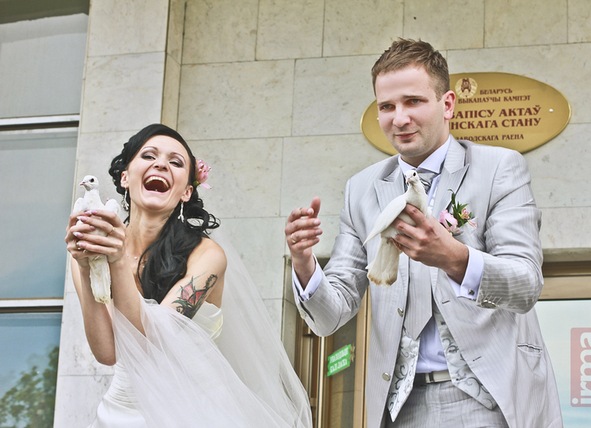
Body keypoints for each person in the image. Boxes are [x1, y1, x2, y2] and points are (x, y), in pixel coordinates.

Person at [285, 39, 562, 428]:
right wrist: (303, 263)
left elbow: (525, 285)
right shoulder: (361, 189)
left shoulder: (499, 168)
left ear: (447, 104)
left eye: (413, 101)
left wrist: (454, 257)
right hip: (401, 405)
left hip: (490, 398)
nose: (399, 119)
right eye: (387, 106)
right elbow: (331, 315)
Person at [66, 123, 312, 428]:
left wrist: (115, 262)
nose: (161, 164)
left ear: (186, 191)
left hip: (196, 411)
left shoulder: (208, 256)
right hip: (121, 411)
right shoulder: (93, 249)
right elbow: (107, 353)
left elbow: (152, 344)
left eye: (176, 162)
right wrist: (86, 265)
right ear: (125, 177)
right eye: (149, 156)